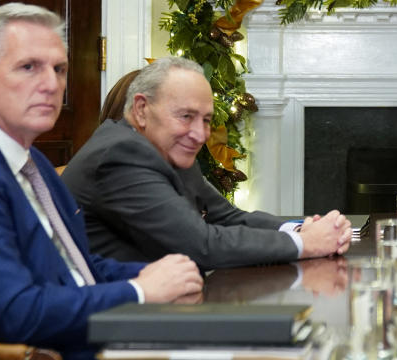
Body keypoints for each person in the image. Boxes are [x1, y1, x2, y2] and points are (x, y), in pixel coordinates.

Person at [0, 3, 202, 360]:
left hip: (93, 341)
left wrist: (155, 274)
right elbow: (14, 314)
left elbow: (74, 267)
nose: (51, 84)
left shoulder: (28, 158)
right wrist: (138, 291)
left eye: (59, 69)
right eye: (29, 67)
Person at [62, 57, 352, 270]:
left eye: (207, 120)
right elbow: (200, 244)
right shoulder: (121, 153)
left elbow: (228, 217)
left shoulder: (166, 148)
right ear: (141, 109)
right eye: (186, 116)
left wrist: (301, 227)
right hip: (123, 316)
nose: (200, 134)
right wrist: (306, 243)